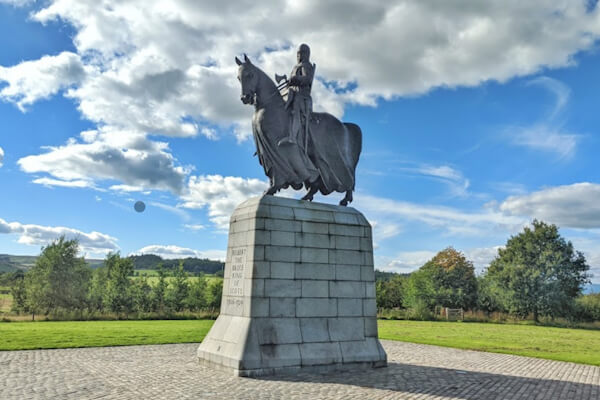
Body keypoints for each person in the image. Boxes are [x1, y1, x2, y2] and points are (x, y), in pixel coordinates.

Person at [279, 43, 315, 150]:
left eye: (302, 53)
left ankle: (293, 137)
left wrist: (296, 79)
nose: (299, 55)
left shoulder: (306, 65)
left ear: (307, 54)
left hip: (302, 97)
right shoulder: (295, 67)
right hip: (293, 94)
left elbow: (307, 79)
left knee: (295, 107)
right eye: (298, 53)